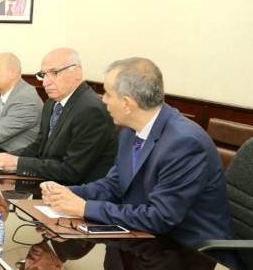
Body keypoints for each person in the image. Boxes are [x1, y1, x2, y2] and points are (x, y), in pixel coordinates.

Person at [41, 57, 232, 247]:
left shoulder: (184, 143)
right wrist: (66, 193)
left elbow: (160, 217)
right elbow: (114, 185)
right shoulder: (130, 131)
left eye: (108, 94)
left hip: (188, 251)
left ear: (127, 103)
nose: (103, 100)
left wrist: (85, 208)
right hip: (142, 239)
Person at [0, 48, 117, 184]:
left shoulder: (91, 109)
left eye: (54, 73)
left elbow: (71, 171)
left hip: (78, 193)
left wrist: (16, 163)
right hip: (49, 184)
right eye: (43, 74)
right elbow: (38, 148)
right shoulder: (51, 103)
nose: (45, 82)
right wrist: (4, 157)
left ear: (77, 72)